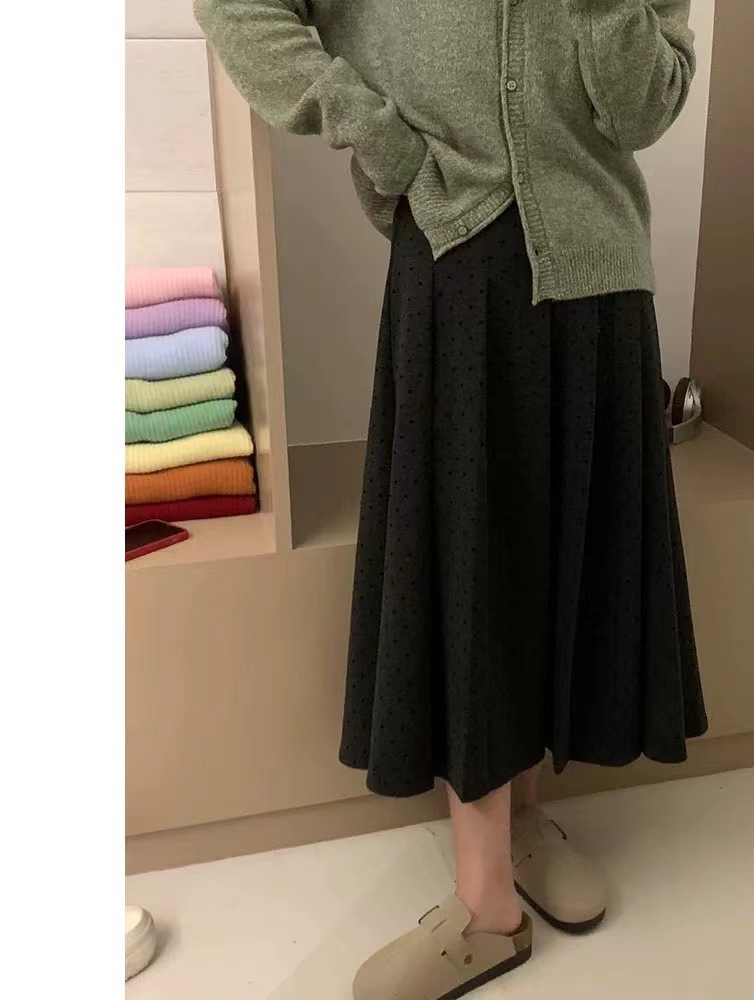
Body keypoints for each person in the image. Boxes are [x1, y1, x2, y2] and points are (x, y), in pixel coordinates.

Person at [194, 2, 708, 997]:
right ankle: (485, 909)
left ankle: (518, 821)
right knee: (473, 570)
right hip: (457, 255)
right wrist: (374, 132)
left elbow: (646, 107)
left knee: (554, 563)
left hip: (602, 277)